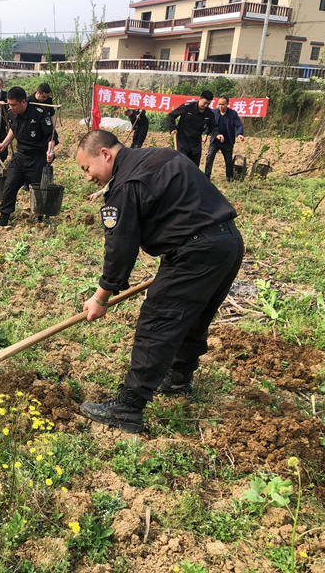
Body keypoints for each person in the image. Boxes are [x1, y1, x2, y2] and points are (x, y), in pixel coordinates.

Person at [74, 130, 244, 433]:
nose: (88, 178)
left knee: (158, 320)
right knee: (192, 317)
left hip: (194, 251)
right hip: (227, 242)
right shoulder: (159, 155)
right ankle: (178, 378)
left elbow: (120, 250)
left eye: (86, 169)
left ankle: (128, 406)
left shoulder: (125, 185)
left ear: (105, 155)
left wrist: (100, 298)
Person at [0, 87, 58, 227]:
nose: (11, 107)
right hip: (20, 156)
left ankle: (41, 217)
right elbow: (13, 130)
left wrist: (50, 151)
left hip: (38, 157)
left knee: (39, 188)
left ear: (23, 102)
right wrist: (3, 144)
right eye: (9, 104)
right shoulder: (11, 114)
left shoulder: (40, 114)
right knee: (10, 185)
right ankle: (4, 216)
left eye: (14, 105)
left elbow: (51, 137)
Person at [166, 90, 223, 167]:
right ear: (200, 99)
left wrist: (217, 134)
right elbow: (171, 116)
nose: (206, 105)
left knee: (194, 167)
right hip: (182, 141)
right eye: (205, 103)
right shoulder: (187, 107)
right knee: (181, 165)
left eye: (208, 104)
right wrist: (172, 128)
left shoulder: (209, 113)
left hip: (196, 143)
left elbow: (213, 127)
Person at [205, 96, 244, 182]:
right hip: (215, 140)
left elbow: (238, 125)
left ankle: (229, 177)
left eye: (222, 104)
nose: (220, 106)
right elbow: (209, 125)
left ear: (227, 104)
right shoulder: (214, 112)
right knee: (210, 156)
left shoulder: (233, 114)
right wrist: (206, 134)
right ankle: (206, 176)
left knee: (228, 160)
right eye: (219, 104)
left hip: (227, 141)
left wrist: (239, 134)